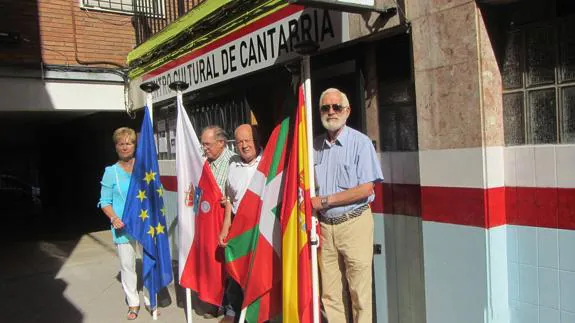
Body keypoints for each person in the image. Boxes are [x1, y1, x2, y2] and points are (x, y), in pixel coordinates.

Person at [311, 88, 384, 323]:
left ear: (347, 111)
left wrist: (325, 201)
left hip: (354, 224)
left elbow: (366, 188)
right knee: (330, 295)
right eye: (325, 107)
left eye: (336, 107)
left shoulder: (360, 143)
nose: (331, 112)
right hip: (325, 228)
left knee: (359, 294)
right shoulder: (313, 147)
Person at [98, 127, 150, 320]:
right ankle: (133, 303)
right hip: (122, 227)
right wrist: (114, 218)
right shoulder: (110, 172)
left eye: (129, 142)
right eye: (121, 143)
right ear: (116, 147)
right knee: (127, 265)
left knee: (148, 261)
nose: (125, 146)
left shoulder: (144, 168)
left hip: (145, 224)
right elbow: (105, 202)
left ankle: (150, 299)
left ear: (135, 145)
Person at [218, 124, 262, 323]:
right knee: (235, 272)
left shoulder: (267, 163)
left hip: (259, 228)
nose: (244, 146)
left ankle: (257, 317)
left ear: (257, 141)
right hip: (237, 226)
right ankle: (232, 312)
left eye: (248, 141)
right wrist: (226, 226)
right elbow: (229, 198)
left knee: (257, 277)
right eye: (239, 142)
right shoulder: (233, 163)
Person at [199, 125, 236, 319]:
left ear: (221, 143)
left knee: (228, 266)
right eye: (203, 144)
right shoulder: (204, 163)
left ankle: (230, 307)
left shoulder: (233, 161)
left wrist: (228, 199)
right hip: (208, 223)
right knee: (211, 263)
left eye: (208, 144)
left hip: (227, 220)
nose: (204, 148)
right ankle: (214, 302)